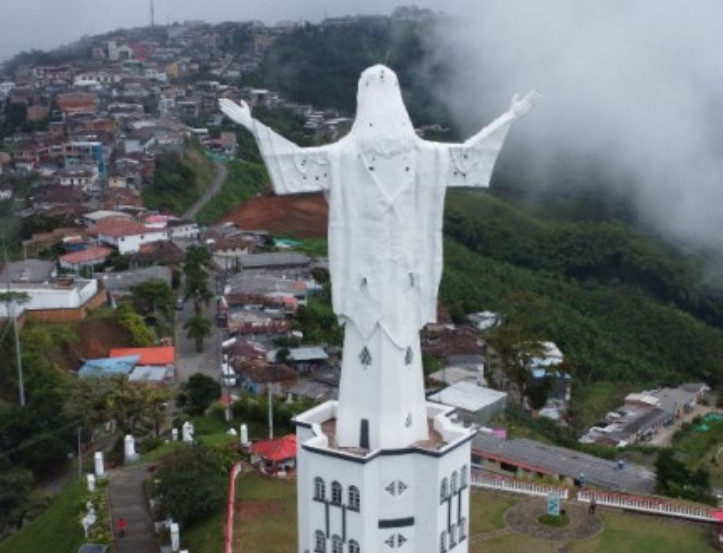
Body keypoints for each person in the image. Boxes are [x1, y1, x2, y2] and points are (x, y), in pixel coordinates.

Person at [221, 66, 538, 451]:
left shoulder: (384, 156)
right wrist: (252, 124)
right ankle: (378, 432)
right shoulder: (376, 156)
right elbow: (470, 155)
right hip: (367, 275)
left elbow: (293, 161)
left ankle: (393, 430)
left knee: (397, 344)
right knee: (371, 343)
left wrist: (510, 117)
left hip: (398, 273)